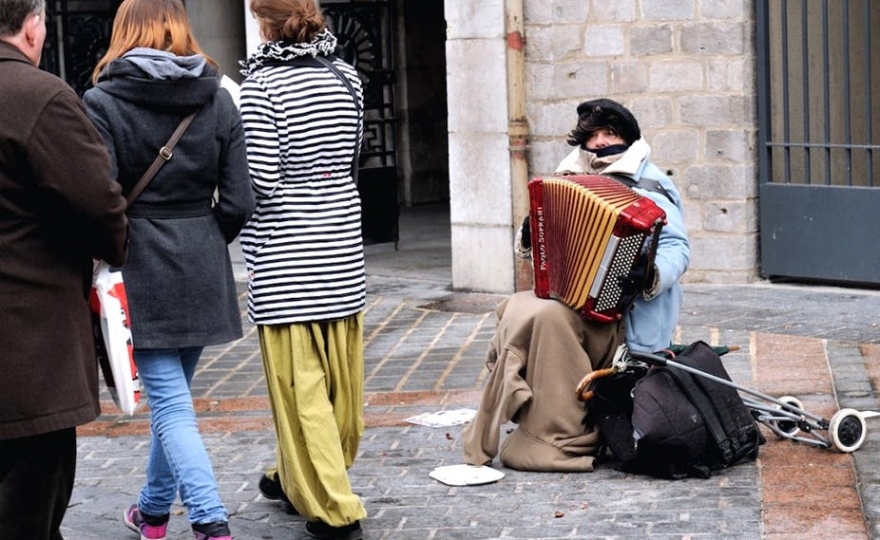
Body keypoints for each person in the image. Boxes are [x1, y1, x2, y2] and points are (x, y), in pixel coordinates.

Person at [82, 1, 254, 539]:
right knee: (173, 398)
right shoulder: (219, 96)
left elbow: (104, 198)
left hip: (141, 263)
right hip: (202, 258)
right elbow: (241, 200)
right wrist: (206, 237)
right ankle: (153, 513)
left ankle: (209, 521)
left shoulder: (101, 101)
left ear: (123, 32)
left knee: (172, 406)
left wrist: (113, 252)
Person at [462, 98, 690, 472]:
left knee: (549, 319)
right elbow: (543, 253)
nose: (600, 141)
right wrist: (529, 235)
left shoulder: (651, 183)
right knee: (520, 309)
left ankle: (562, 436)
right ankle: (524, 409)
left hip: (623, 320)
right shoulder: (564, 180)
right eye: (593, 135)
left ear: (629, 138)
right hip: (573, 301)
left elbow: (678, 248)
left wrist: (649, 275)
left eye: (610, 133)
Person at [0, 1, 130, 538]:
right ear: (32, 27)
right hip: (27, 351)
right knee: (30, 508)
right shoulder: (38, 97)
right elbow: (98, 206)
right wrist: (108, 249)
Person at [238, 0, 367, 538]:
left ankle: (335, 509)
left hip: (285, 257)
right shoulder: (348, 76)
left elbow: (261, 180)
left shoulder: (261, 88)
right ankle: (294, 476)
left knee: (302, 393)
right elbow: (352, 156)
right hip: (340, 250)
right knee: (340, 389)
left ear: (264, 22)